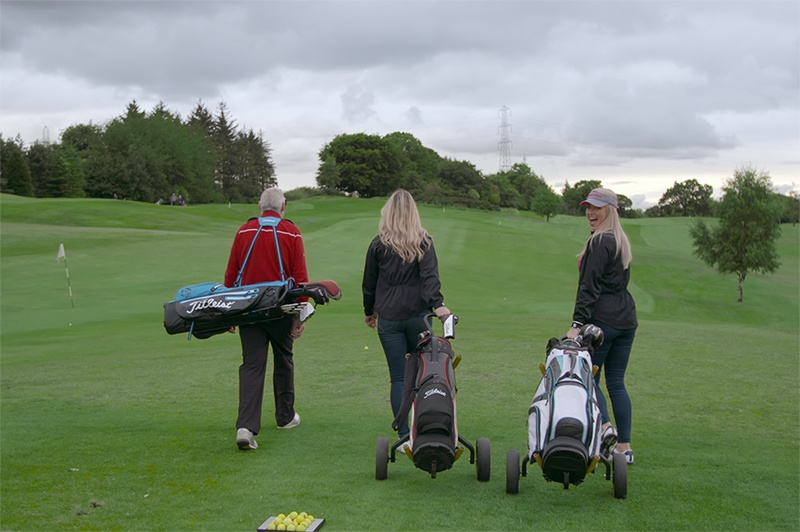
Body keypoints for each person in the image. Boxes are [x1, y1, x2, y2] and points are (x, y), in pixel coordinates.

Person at [362, 190, 451, 452]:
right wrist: (438, 304)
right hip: (418, 318)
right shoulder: (423, 242)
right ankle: (424, 425)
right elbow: (430, 278)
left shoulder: (378, 244)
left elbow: (369, 284)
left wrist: (370, 311)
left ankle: (403, 436)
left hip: (389, 318)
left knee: (399, 378)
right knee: (424, 375)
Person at [224, 187, 309, 451]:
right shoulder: (291, 232)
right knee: (284, 359)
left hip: (249, 309)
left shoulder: (244, 231)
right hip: (280, 309)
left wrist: (229, 312)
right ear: (283, 206)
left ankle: (245, 427)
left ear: (260, 205)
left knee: (252, 366)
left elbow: (231, 274)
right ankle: (285, 417)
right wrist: (300, 315)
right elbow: (301, 278)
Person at [567, 187, 637, 465]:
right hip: (626, 319)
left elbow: (589, 288)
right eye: (588, 207)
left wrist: (577, 324)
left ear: (610, 210)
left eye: (596, 207)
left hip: (603, 322)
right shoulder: (620, 241)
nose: (590, 212)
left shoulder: (600, 242)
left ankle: (606, 428)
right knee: (616, 383)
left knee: (589, 378)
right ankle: (625, 448)